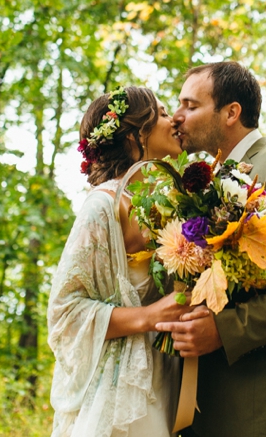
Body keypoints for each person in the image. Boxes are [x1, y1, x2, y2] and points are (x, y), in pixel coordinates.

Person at [158, 62, 266, 437]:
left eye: (191, 105)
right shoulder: (205, 181)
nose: (177, 116)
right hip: (205, 405)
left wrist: (225, 330)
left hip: (265, 403)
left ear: (231, 112)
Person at [47, 86, 196, 437]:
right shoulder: (102, 206)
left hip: (162, 380)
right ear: (135, 136)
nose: (174, 120)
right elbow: (64, 313)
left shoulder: (163, 204)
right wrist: (150, 316)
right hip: (121, 396)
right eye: (162, 114)